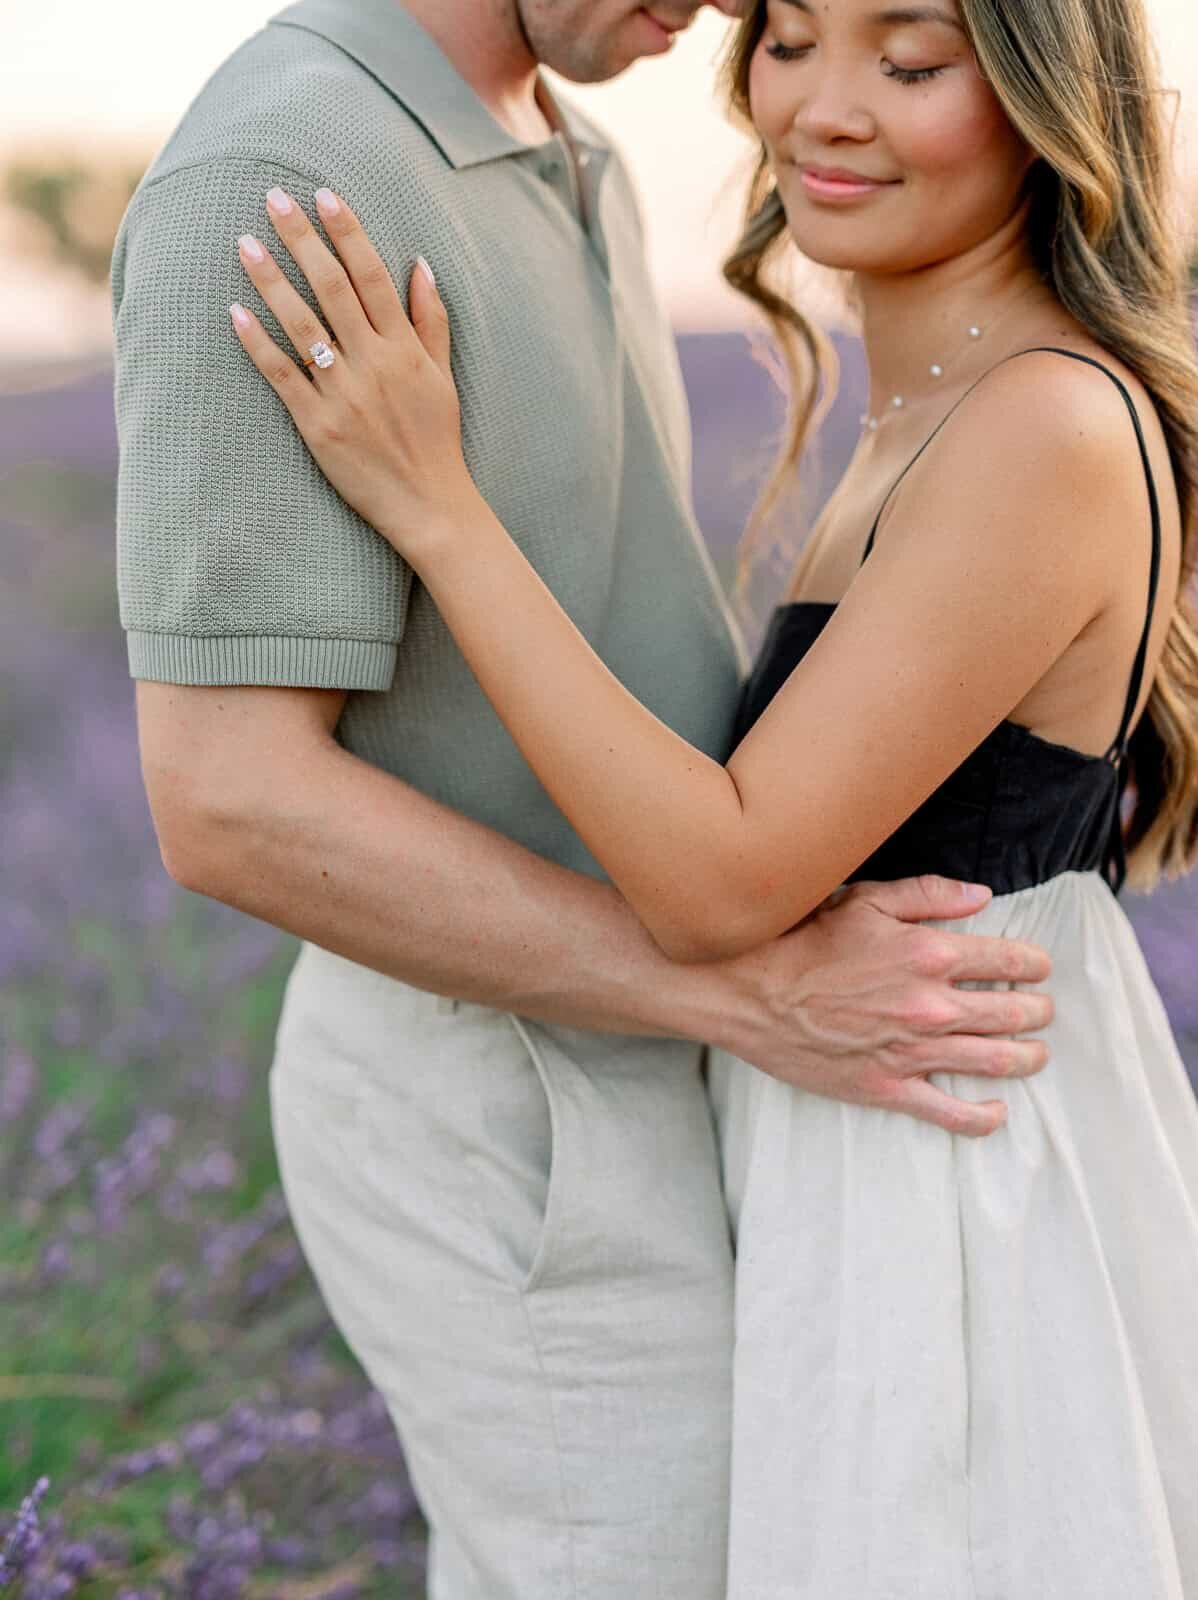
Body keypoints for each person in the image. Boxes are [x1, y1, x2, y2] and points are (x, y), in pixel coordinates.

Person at [227, 0, 1198, 1590]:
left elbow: (720, 883)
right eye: (792, 38)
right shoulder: (933, 403)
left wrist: (438, 509)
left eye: (908, 60)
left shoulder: (1036, 422)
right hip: (882, 1143)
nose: (824, 107)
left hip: (947, 1176)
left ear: (1042, 100)